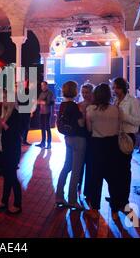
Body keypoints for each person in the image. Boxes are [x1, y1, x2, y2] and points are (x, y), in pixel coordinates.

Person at [85, 83, 120, 220]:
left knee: (96, 178)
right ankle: (115, 211)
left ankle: (94, 209)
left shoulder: (91, 110)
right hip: (112, 145)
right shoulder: (115, 110)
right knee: (113, 178)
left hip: (97, 145)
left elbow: (89, 129)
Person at [112, 77, 140, 216]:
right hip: (116, 136)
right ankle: (116, 197)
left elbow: (138, 121)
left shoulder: (133, 101)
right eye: (113, 88)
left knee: (124, 170)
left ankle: (124, 201)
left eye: (116, 87)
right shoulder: (116, 100)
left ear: (122, 87)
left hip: (127, 137)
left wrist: (122, 115)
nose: (114, 90)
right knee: (116, 170)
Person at [55, 81, 86, 210]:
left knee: (66, 166)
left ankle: (59, 196)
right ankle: (72, 200)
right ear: (75, 91)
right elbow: (81, 124)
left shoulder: (62, 105)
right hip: (78, 139)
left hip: (67, 138)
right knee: (76, 170)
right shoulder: (74, 106)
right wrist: (83, 114)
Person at [0, 90, 22, 215]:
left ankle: (18, 204)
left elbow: (16, 132)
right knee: (6, 176)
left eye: (6, 97)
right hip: (3, 148)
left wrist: (2, 123)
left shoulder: (15, 112)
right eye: (2, 98)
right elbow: (4, 131)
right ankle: (4, 201)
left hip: (12, 149)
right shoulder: (4, 112)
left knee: (12, 176)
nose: (3, 100)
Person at [77, 83, 94, 199]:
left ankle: (89, 190)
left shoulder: (96, 106)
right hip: (82, 136)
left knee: (91, 164)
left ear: (92, 92)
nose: (84, 94)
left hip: (93, 137)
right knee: (80, 163)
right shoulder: (79, 105)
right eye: (83, 92)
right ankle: (78, 185)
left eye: (87, 92)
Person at [35, 81, 55, 149]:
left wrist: (42, 102)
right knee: (42, 128)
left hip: (47, 112)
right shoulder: (41, 93)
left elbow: (50, 102)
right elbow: (38, 102)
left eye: (43, 85)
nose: (42, 87)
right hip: (41, 112)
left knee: (47, 128)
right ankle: (42, 143)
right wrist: (40, 102)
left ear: (47, 86)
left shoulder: (50, 93)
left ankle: (49, 144)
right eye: (41, 85)